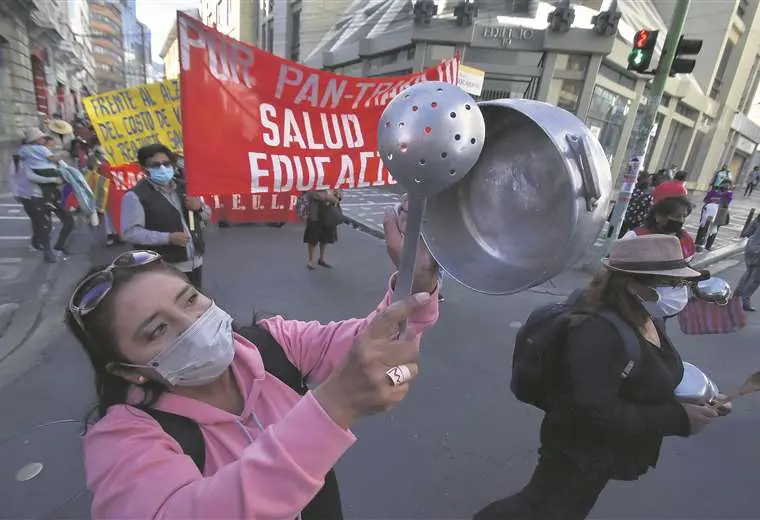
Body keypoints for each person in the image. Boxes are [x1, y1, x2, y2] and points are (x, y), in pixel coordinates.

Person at [66, 200, 440, 519]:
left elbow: (376, 346)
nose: (192, 325)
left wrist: (415, 280)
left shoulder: (270, 342)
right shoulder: (122, 439)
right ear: (128, 372)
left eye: (189, 300)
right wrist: (334, 407)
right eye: (156, 331)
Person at [474, 234, 731, 520]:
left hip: (607, 452)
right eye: (670, 283)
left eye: (680, 283)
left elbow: (648, 378)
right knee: (542, 509)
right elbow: (591, 410)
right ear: (633, 285)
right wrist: (678, 419)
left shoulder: (647, 318)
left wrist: (703, 401)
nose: (679, 291)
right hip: (578, 451)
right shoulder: (597, 332)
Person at [120, 143, 210, 290]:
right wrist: (168, 238)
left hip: (196, 261)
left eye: (166, 163)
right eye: (155, 165)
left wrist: (199, 207)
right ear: (144, 169)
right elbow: (130, 233)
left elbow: (207, 214)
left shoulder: (187, 187)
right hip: (166, 267)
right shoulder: (135, 196)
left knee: (195, 303)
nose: (162, 168)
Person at [623, 196, 696, 261]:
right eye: (676, 216)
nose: (681, 220)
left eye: (684, 216)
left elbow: (688, 260)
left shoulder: (685, 238)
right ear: (658, 216)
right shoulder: (636, 236)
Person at [304, 188, 343, 269]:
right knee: (312, 237)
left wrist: (338, 195)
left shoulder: (335, 181)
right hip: (315, 212)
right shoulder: (315, 178)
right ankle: (311, 260)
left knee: (326, 237)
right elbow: (309, 193)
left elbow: (341, 195)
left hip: (329, 213)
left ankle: (322, 258)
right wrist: (327, 197)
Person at [696, 180, 733, 251]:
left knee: (714, 229)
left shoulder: (729, 194)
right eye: (724, 184)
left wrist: (716, 199)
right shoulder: (713, 192)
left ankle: (708, 246)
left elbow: (727, 203)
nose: (725, 186)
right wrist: (716, 200)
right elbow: (706, 200)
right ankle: (698, 243)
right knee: (703, 227)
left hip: (719, 213)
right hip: (708, 211)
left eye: (728, 186)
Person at [735, 214, 760, 311]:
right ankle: (744, 301)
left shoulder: (758, 218)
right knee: (756, 279)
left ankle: (737, 296)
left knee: (748, 273)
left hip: (750, 248)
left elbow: (747, 232)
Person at [619, 173, 652, 238]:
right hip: (636, 220)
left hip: (626, 216)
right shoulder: (648, 197)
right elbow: (647, 210)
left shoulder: (632, 192)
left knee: (620, 232)